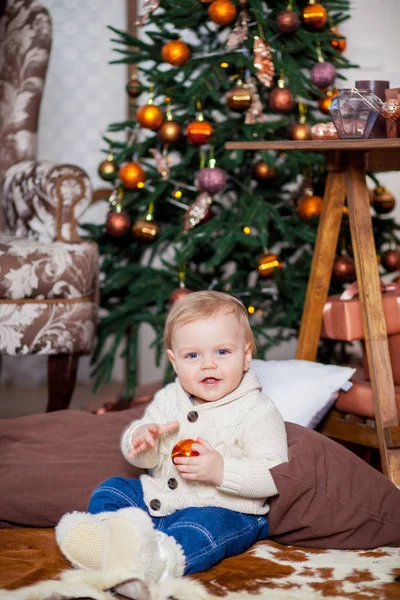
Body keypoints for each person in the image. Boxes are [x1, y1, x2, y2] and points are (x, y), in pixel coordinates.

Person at [56, 291, 288, 583]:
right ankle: (109, 543)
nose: (208, 364)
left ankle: (156, 566)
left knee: (204, 527)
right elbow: (146, 452)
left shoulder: (257, 411)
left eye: (222, 352)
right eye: (192, 355)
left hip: (225, 509)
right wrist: (141, 439)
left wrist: (220, 470)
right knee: (112, 489)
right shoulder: (169, 398)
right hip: (161, 499)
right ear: (174, 361)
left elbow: (274, 474)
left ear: (247, 354)